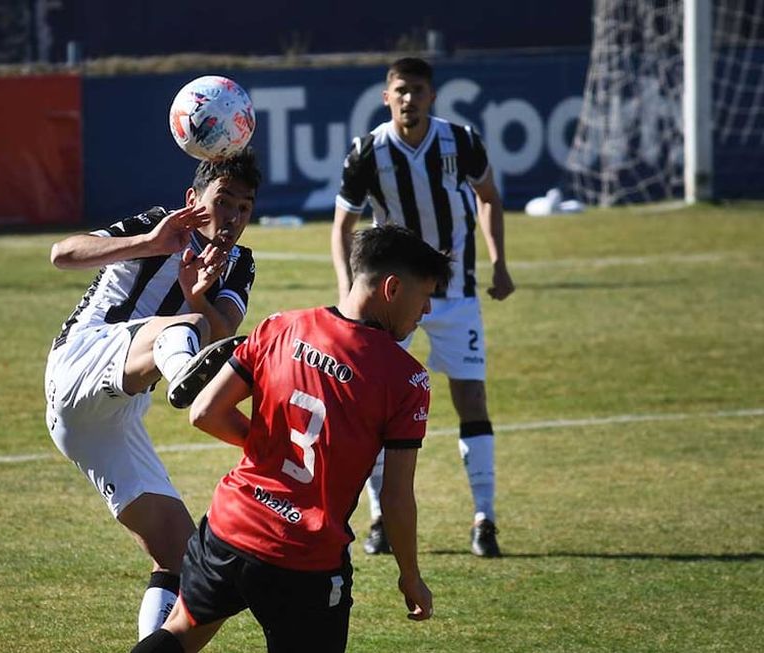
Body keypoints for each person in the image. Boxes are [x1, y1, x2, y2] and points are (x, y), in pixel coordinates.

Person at [131, 225, 452, 653]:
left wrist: (268, 447)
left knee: (180, 634)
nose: (427, 309)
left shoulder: (279, 326)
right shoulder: (406, 378)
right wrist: (410, 576)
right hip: (305, 558)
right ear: (392, 288)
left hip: (231, 527)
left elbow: (205, 413)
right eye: (425, 295)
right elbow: (395, 496)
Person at [43, 148, 261, 639]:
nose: (232, 218)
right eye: (223, 201)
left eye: (244, 208)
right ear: (193, 199)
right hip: (79, 363)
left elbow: (224, 326)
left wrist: (199, 292)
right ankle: (185, 375)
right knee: (179, 327)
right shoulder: (160, 224)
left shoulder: (240, 262)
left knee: (188, 565)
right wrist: (147, 242)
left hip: (111, 419)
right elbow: (62, 254)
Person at [331, 57, 516, 558]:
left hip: (456, 294)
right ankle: (377, 520)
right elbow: (341, 229)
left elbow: (489, 197)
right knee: (372, 406)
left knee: (471, 400)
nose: (408, 98)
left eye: (417, 89)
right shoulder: (367, 152)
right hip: (392, 301)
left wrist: (499, 261)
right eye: (400, 90)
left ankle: (485, 519)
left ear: (432, 96)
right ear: (386, 97)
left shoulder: (462, 140)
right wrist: (351, 291)